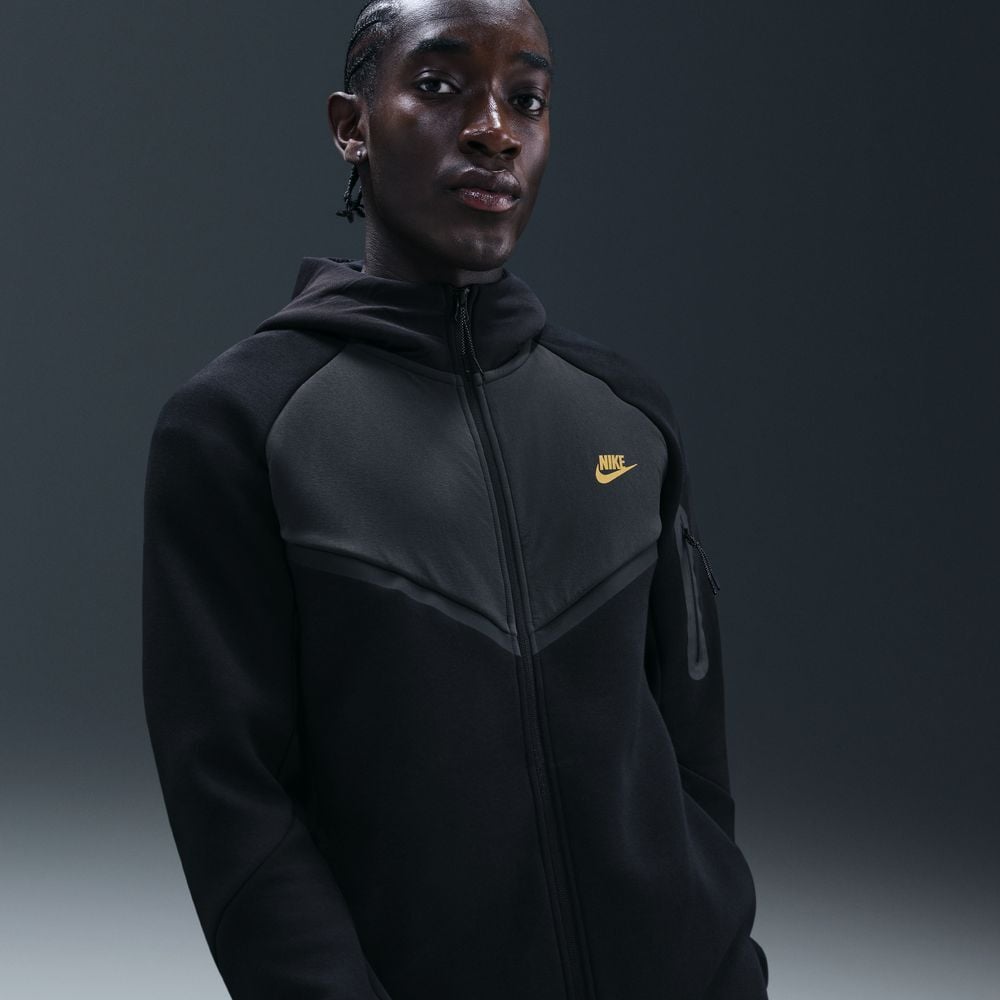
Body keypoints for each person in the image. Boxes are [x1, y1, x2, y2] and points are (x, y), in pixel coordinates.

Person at [141, 0, 771, 997]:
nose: (493, 130)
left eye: (528, 99)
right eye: (440, 86)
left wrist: (722, 964)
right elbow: (234, 806)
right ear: (351, 126)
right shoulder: (239, 426)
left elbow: (694, 761)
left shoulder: (626, 414)